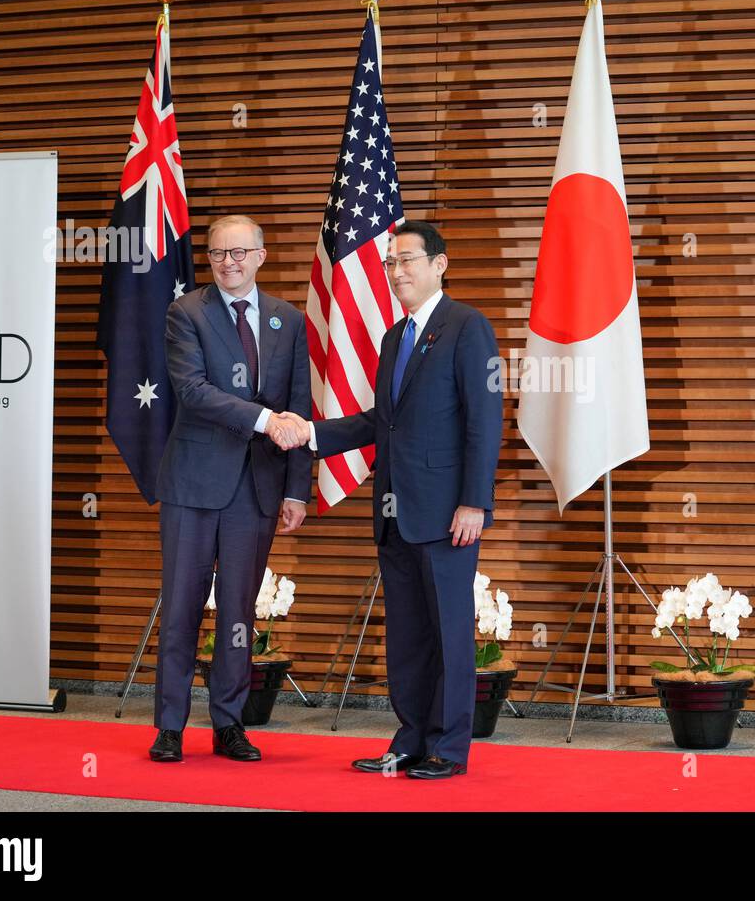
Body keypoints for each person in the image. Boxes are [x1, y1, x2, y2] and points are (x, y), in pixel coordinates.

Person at [272, 220, 502, 779]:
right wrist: (312, 433)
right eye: (390, 264)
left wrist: (474, 502)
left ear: (439, 264)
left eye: (407, 261)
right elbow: (383, 422)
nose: (397, 272)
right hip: (396, 511)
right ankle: (411, 739)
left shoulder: (468, 327)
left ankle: (449, 748)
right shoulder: (394, 337)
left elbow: (485, 420)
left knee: (449, 634)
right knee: (407, 635)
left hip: (448, 514)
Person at [149, 214, 312, 763]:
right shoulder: (185, 312)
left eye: (240, 252)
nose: (229, 262)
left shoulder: (288, 320)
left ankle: (229, 724)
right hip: (194, 485)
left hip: (258, 491)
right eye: (219, 253)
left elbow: (298, 405)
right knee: (182, 609)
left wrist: (297, 490)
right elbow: (193, 391)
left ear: (261, 256)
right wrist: (266, 421)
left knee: (239, 612)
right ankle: (170, 725)